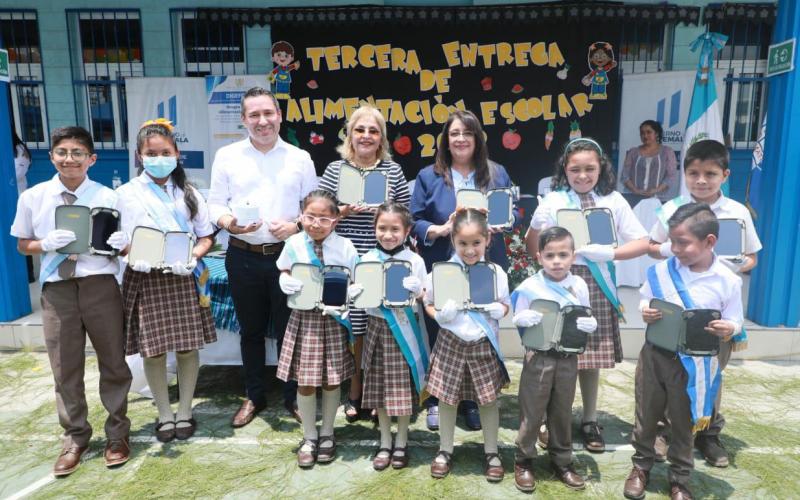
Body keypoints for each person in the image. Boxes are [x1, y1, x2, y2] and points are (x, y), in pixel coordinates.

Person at [10, 126, 132, 475]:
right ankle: (75, 437)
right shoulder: (33, 197)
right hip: (57, 289)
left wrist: (122, 242)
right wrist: (45, 243)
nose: (70, 159)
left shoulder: (109, 196)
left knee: (113, 362)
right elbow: (23, 244)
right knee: (65, 368)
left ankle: (117, 435)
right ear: (52, 157)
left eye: (78, 153)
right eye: (62, 152)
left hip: (100, 285)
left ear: (91, 159)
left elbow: (125, 246)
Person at [526, 137, 649, 453]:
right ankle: (550, 420)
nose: (582, 175)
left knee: (588, 357)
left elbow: (642, 242)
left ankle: (590, 419)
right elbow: (531, 245)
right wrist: (537, 231)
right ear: (564, 169)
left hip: (595, 285)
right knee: (552, 354)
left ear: (601, 168)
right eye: (575, 169)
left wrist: (610, 254)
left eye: (590, 169)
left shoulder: (613, 200)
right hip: (556, 284)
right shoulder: (553, 200)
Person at [207, 87, 318, 426]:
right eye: (254, 115)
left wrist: (297, 225)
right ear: (243, 120)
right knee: (251, 331)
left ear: (279, 116)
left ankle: (293, 396)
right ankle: (254, 396)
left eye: (268, 113)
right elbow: (214, 205)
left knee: (291, 330)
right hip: (242, 255)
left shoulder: (300, 158)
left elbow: (312, 208)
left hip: (288, 258)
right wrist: (230, 224)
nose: (262, 121)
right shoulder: (227, 156)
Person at [648, 139, 761, 467]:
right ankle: (666, 431)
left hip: (716, 308)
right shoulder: (670, 209)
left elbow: (752, 258)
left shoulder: (737, 213)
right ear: (683, 173)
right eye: (693, 173)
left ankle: (708, 435)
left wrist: (732, 263)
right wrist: (678, 249)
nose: (701, 180)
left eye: (710, 174)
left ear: (724, 174)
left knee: (709, 372)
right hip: (676, 304)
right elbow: (653, 246)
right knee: (671, 371)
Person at [625, 203, 743, 500]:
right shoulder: (661, 271)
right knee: (646, 414)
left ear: (709, 242)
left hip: (694, 365)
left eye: (682, 242)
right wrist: (646, 310)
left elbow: (736, 320)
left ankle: (680, 478)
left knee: (684, 422)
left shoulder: (727, 280)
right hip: (655, 355)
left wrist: (728, 327)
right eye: (672, 241)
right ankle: (641, 467)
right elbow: (644, 299)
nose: (674, 249)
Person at [411, 109, 518, 432]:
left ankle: (471, 401)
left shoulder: (496, 174)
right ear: (446, 139)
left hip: (483, 263)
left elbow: (512, 214)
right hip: (443, 264)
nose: (460, 139)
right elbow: (414, 219)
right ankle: (435, 399)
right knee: (440, 329)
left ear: (477, 138)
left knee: (478, 330)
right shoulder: (428, 176)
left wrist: (502, 223)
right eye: (454, 133)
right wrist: (441, 229)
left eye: (467, 133)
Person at [116, 119, 217, 442]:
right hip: (144, 278)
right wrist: (129, 253)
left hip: (182, 276)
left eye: (165, 152)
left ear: (176, 153)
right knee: (153, 351)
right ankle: (164, 413)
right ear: (139, 156)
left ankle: (185, 410)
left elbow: (206, 236)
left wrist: (194, 257)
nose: (158, 158)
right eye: (151, 153)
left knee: (188, 348)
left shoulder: (189, 193)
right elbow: (115, 240)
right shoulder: (124, 195)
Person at [318, 104, 411, 423]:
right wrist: (340, 213)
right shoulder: (334, 169)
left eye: (374, 131)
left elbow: (405, 214)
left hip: (380, 258)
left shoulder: (392, 171)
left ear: (382, 138)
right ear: (350, 134)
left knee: (377, 327)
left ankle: (377, 394)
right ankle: (355, 392)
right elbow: (320, 218)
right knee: (353, 329)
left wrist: (384, 216)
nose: (366, 136)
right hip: (343, 258)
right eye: (360, 129)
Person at [423, 208, 510, 482]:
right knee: (447, 399)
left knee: (488, 400)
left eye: (476, 243)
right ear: (453, 242)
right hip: (450, 341)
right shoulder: (442, 272)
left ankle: (492, 451)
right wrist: (438, 315)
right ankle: (445, 449)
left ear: (487, 240)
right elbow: (428, 303)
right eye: (463, 243)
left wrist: (500, 310)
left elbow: (505, 304)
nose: (470, 250)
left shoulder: (496, 272)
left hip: (483, 343)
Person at [275, 189, 358, 468]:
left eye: (324, 218)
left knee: (332, 379)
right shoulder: (294, 243)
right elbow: (284, 270)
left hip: (334, 320)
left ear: (336, 219)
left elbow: (355, 279)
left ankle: (328, 434)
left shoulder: (345, 246)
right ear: (301, 216)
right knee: (306, 381)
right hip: (305, 320)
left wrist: (351, 296)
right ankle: (309, 436)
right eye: (310, 216)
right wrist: (284, 280)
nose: (316, 223)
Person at [511, 227, 597, 492]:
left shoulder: (579, 284)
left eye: (563, 254)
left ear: (573, 256)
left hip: (568, 358)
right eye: (550, 255)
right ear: (539, 257)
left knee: (562, 411)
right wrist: (521, 320)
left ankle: (562, 460)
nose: (557, 261)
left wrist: (589, 323)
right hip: (538, 357)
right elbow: (518, 318)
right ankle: (523, 460)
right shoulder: (529, 286)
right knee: (532, 412)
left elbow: (585, 314)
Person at [347, 202, 428, 471]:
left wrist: (418, 291)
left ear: (406, 231)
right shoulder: (367, 259)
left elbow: (423, 296)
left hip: (403, 329)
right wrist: (354, 293)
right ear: (374, 229)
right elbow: (361, 299)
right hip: (376, 328)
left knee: (402, 389)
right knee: (379, 387)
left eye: (395, 229)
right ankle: (384, 441)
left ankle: (401, 442)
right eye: (382, 228)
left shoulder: (414, 260)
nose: (388, 234)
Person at [621, 120, 678, 205]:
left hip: (660, 199)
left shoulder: (667, 152)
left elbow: (670, 176)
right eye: (642, 133)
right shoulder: (633, 152)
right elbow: (625, 176)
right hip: (634, 198)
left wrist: (656, 190)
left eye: (649, 132)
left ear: (656, 134)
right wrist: (635, 190)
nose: (645, 136)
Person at [12, 127, 35, 282]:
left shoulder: (19, 150)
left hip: (16, 198)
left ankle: (28, 275)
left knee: (21, 235)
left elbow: (15, 174)